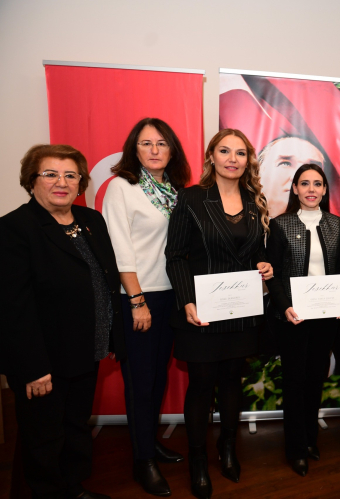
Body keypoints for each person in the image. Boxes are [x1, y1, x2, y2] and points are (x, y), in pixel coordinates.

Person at [0, 144, 126, 499]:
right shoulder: (14, 229)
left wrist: (111, 336)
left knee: (75, 425)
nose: (62, 182)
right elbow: (13, 307)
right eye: (51, 174)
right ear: (32, 181)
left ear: (81, 183)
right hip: (44, 361)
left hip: (86, 348)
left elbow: (105, 279)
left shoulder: (91, 221)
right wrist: (33, 368)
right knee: (44, 436)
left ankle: (73, 487)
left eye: (71, 175)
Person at [165, 129, 273, 499]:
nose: (232, 159)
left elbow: (257, 251)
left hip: (242, 310)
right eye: (224, 151)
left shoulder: (255, 200)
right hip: (202, 311)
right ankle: (197, 459)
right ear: (211, 156)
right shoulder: (191, 198)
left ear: (248, 160)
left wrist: (264, 264)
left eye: (240, 153)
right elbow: (175, 255)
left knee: (231, 381)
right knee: (201, 384)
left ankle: (228, 447)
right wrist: (186, 300)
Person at [102, 118, 191, 496]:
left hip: (171, 295)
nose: (154, 150)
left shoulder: (175, 190)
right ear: (133, 149)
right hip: (139, 297)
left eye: (161, 143)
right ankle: (143, 461)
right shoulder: (121, 187)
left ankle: (149, 443)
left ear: (172, 150)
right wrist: (137, 301)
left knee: (157, 377)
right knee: (140, 380)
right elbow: (120, 249)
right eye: (146, 143)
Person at [265, 164, 340, 477]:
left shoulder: (335, 224)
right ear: (295, 189)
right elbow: (273, 274)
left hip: (326, 315)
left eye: (317, 184)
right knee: (294, 382)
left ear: (325, 189)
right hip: (293, 317)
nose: (311, 189)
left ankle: (310, 440)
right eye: (305, 184)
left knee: (316, 379)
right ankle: (295, 449)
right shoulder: (280, 224)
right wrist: (285, 306)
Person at [258, 135, 326, 218]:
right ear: (258, 176)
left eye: (312, 167)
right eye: (286, 163)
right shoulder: (246, 221)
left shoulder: (334, 224)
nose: (300, 177)